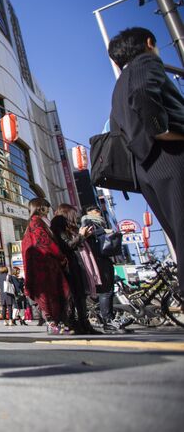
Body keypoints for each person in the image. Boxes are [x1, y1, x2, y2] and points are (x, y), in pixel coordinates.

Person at [108, 27, 184, 294]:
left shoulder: (118, 87)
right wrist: (160, 129)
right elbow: (143, 93)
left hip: (147, 167)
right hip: (171, 155)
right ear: (149, 43)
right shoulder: (145, 64)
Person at [22, 198, 71, 335]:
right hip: (46, 265)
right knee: (53, 294)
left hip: (39, 266)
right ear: (39, 207)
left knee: (47, 295)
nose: (48, 210)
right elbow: (45, 243)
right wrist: (61, 256)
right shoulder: (37, 222)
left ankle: (53, 323)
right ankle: (54, 323)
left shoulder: (31, 224)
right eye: (46, 207)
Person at [51, 204, 101, 335]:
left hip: (75, 264)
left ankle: (83, 324)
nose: (76, 217)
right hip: (68, 265)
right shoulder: (58, 222)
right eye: (74, 214)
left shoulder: (68, 226)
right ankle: (75, 323)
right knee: (74, 295)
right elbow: (67, 245)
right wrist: (81, 235)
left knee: (79, 295)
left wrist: (83, 236)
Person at [80, 206, 126, 334]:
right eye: (95, 210)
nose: (98, 212)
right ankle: (108, 321)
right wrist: (105, 231)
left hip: (102, 258)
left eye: (98, 210)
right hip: (98, 259)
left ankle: (109, 320)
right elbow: (87, 234)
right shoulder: (88, 221)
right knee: (106, 291)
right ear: (89, 213)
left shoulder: (97, 222)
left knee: (108, 290)